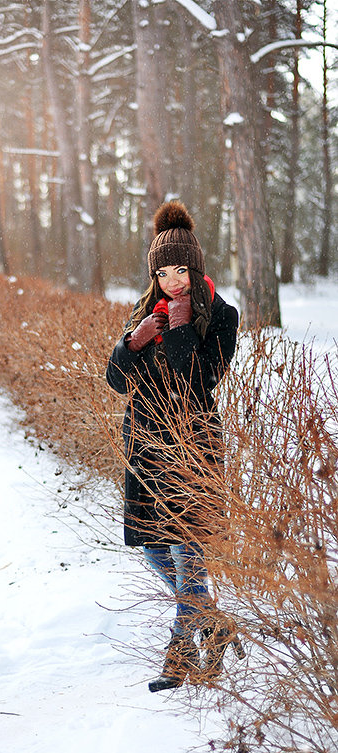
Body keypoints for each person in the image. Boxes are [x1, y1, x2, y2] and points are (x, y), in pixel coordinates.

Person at [106, 200, 244, 692]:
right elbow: (117, 381)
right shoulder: (146, 314)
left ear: (195, 266)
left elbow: (202, 376)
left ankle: (181, 651)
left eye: (179, 269)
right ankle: (214, 624)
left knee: (190, 552)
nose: (172, 281)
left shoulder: (222, 316)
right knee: (154, 551)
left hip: (193, 446)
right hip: (145, 446)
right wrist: (133, 343)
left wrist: (182, 328)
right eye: (162, 272)